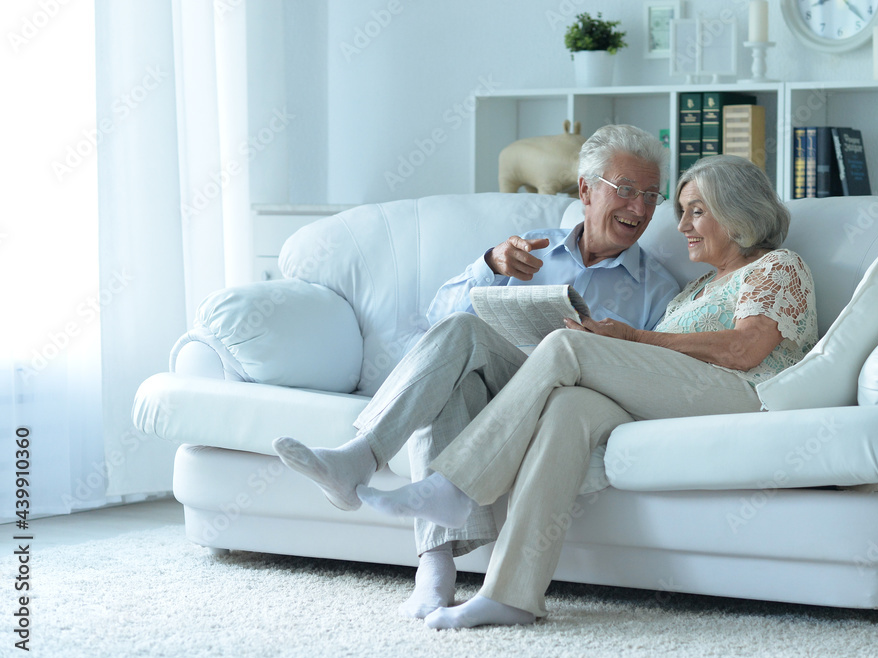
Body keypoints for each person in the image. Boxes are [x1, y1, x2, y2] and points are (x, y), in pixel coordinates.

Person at [356, 153, 819, 629]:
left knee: (567, 346)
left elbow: (746, 348)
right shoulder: (695, 288)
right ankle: (510, 594)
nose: (681, 225)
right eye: (681, 211)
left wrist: (632, 338)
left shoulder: (778, 266)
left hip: (741, 396)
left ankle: (455, 485)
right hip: (681, 396)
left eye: (695, 211)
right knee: (568, 407)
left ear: (737, 210)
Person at [272, 124, 680, 619]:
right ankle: (436, 568)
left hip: (564, 407)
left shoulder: (657, 288)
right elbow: (436, 321)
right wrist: (489, 265)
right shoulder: (531, 250)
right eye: (627, 190)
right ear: (586, 190)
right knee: (456, 363)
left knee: (467, 338)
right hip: (493, 390)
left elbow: (651, 379)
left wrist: (610, 346)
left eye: (651, 195)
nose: (639, 208)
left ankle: (361, 460)